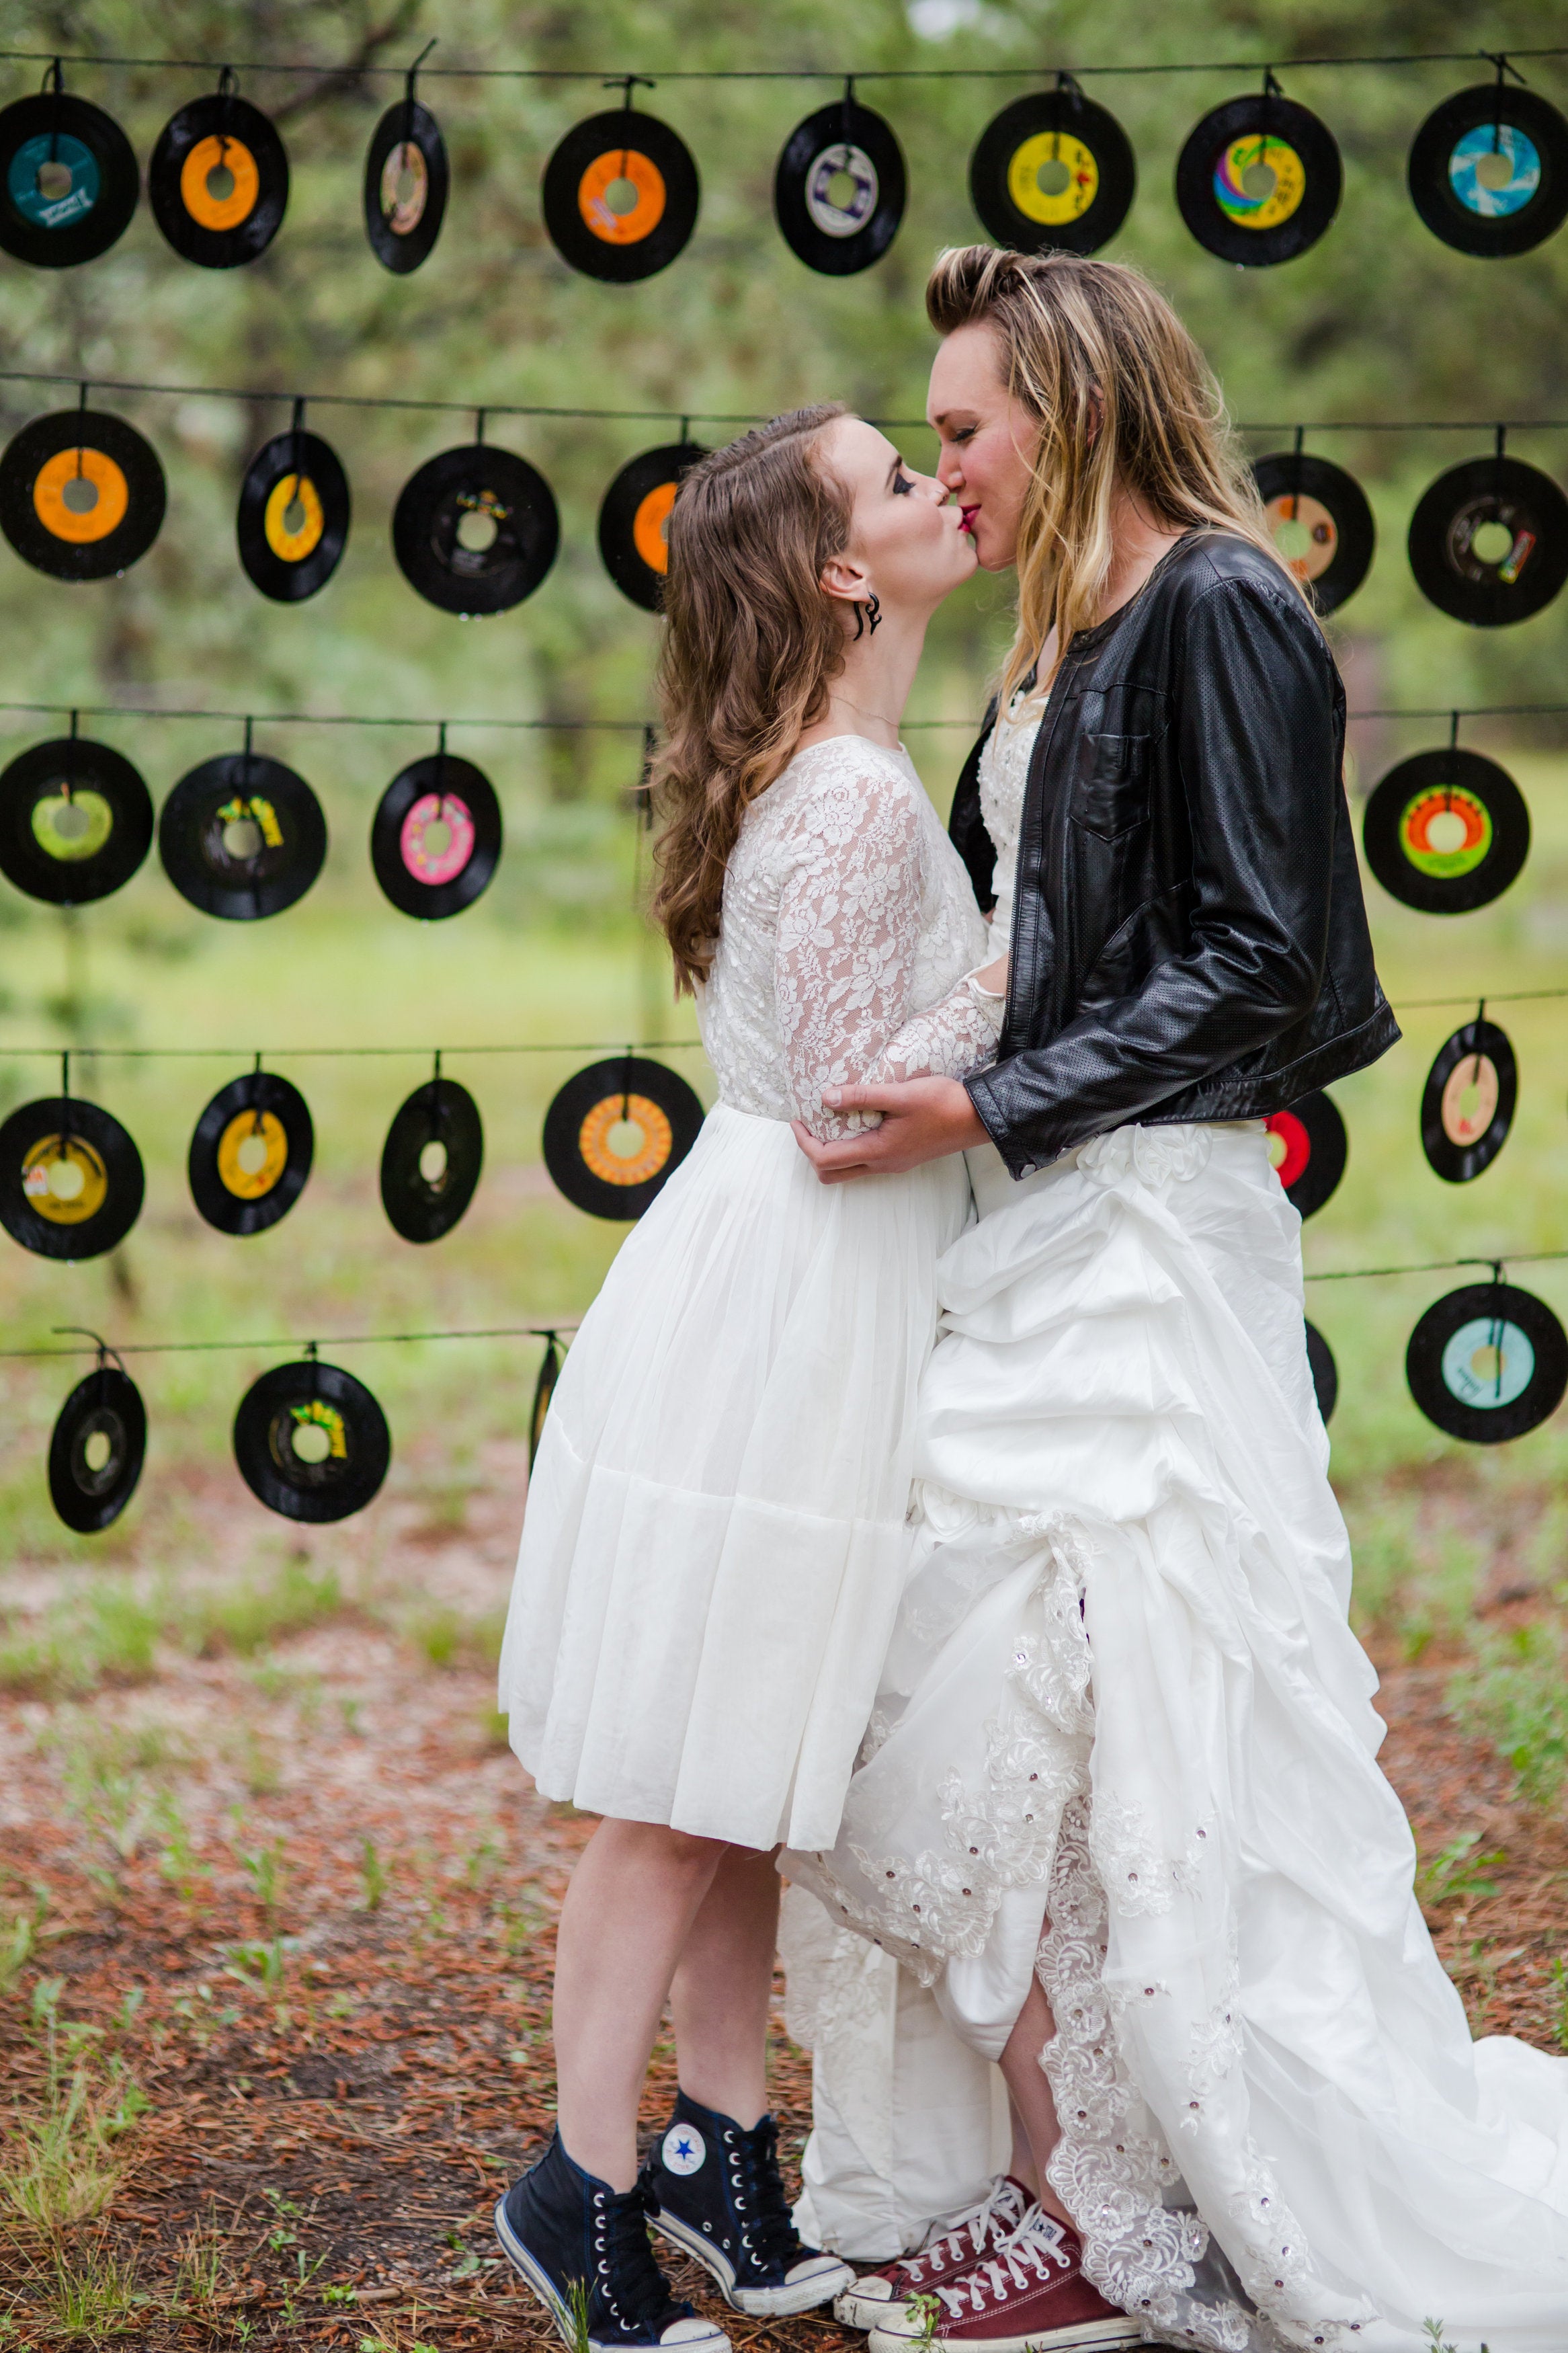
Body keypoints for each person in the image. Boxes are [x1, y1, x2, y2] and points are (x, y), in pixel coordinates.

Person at [786, 246, 1568, 2353]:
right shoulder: (1061, 624)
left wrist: (982, 1094)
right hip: (1043, 1223)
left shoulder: (1223, 605)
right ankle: (1071, 2166)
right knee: (997, 1712)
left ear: (1070, 404)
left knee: (1132, 1712)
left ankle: (1111, 2207)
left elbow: (1269, 971)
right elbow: (1043, 929)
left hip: (1152, 1238)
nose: (944, 464)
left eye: (963, 427)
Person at [493, 402, 1008, 2353]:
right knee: (676, 1784)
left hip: (796, 1285)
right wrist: (1044, 949)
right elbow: (844, 1106)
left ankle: (721, 2138)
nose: (940, 484)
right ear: (842, 572)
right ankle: (579, 2182)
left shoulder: (849, 764)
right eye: (897, 480)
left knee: (746, 1758)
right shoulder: (859, 793)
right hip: (791, 1294)